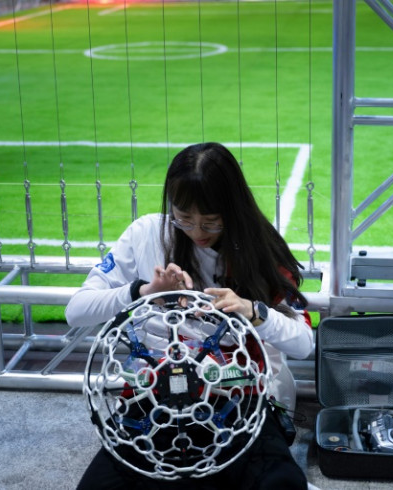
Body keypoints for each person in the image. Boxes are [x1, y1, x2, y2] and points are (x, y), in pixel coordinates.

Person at [66, 142, 313, 490]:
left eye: (211, 222)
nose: (197, 232)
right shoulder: (147, 233)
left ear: (232, 210)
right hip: (151, 399)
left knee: (282, 485)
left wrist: (253, 311)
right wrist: (142, 291)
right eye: (184, 218)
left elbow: (304, 343)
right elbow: (76, 310)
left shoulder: (259, 251)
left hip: (234, 400)